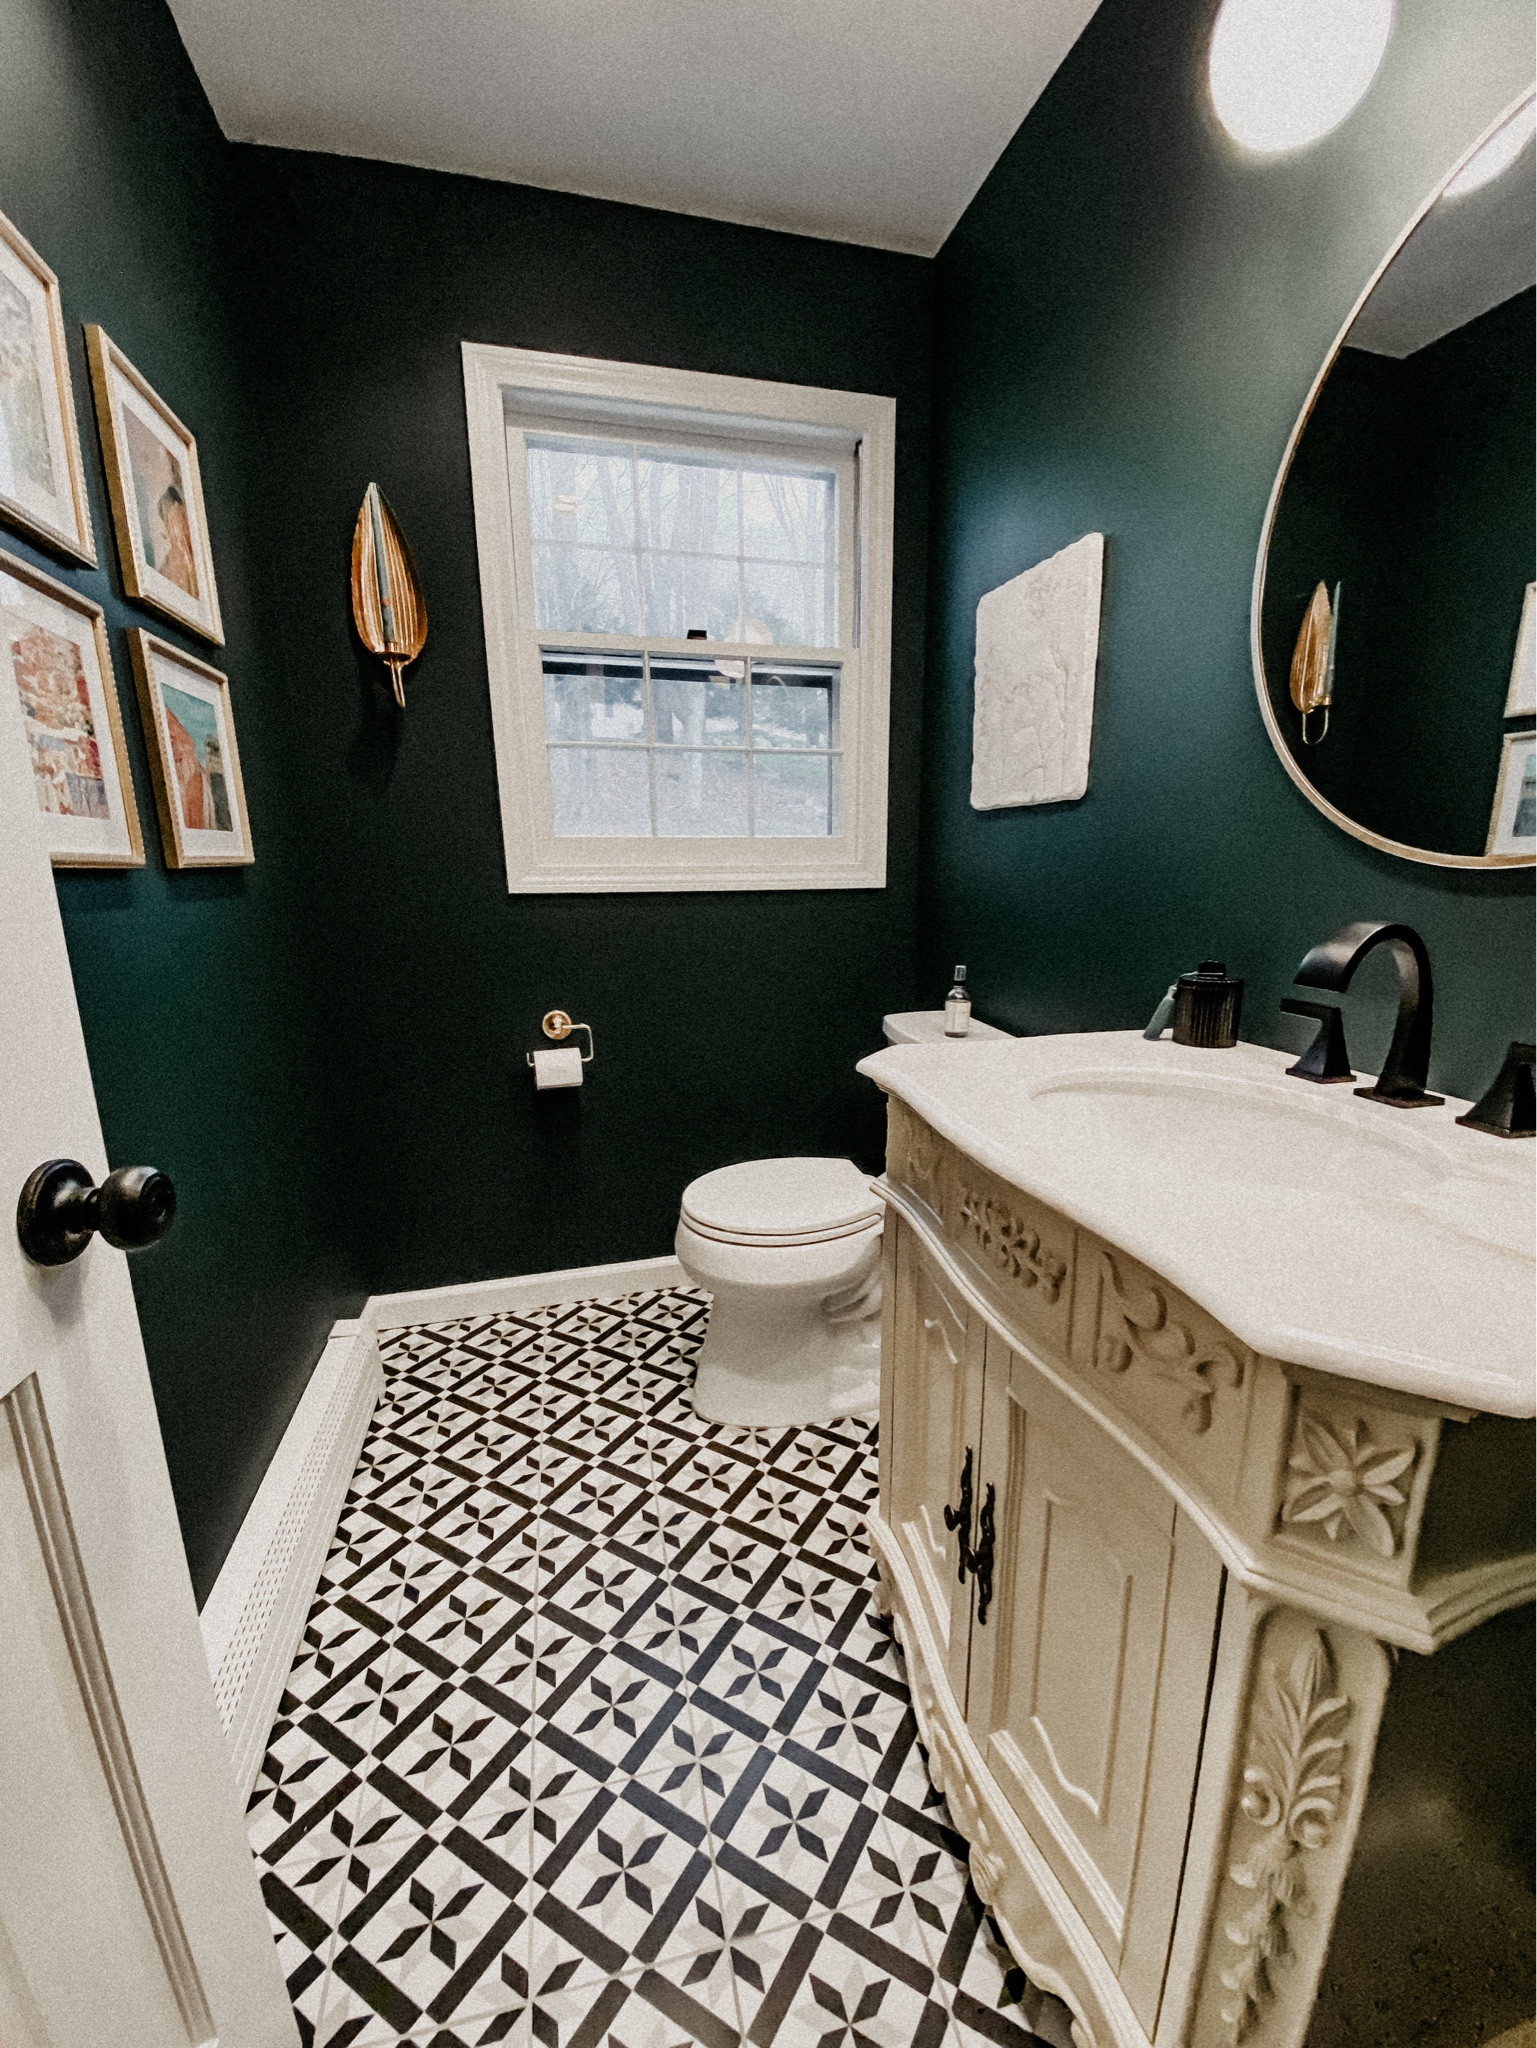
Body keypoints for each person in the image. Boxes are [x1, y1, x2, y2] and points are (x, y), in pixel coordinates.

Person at [155, 482, 198, 597]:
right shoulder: (165, 572)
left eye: (185, 517)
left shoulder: (199, 562)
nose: (180, 532)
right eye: (173, 524)